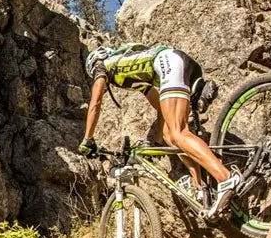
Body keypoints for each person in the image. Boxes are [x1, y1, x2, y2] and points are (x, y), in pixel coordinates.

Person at [79, 43, 241, 216]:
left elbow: (95, 104)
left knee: (179, 133)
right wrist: (157, 140)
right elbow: (159, 106)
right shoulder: (127, 71)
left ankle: (225, 178)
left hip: (169, 64)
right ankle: (199, 187)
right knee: (170, 136)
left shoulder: (103, 66)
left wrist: (88, 139)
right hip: (179, 64)